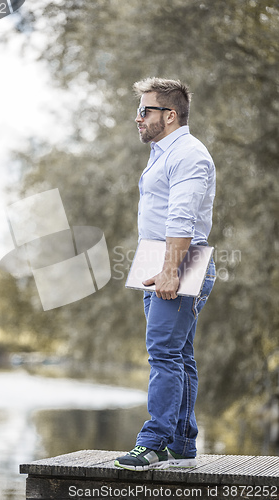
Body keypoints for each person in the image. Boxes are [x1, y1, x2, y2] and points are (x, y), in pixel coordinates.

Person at [115, 78, 216, 471]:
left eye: (145, 110)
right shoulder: (163, 152)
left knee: (163, 354)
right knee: (180, 354)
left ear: (169, 115)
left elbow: (182, 217)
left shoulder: (188, 154)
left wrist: (171, 270)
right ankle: (181, 442)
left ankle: (153, 442)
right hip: (159, 257)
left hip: (180, 258)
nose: (137, 118)